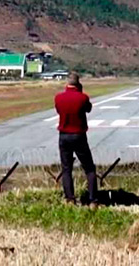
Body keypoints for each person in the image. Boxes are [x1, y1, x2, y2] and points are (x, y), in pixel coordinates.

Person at [54, 72, 98, 206]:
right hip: (79, 135)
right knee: (89, 168)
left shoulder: (58, 98)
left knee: (66, 169)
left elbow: (58, 111)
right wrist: (81, 92)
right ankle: (93, 200)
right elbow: (88, 109)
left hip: (64, 135)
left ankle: (70, 199)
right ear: (78, 84)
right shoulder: (82, 97)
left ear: (67, 83)